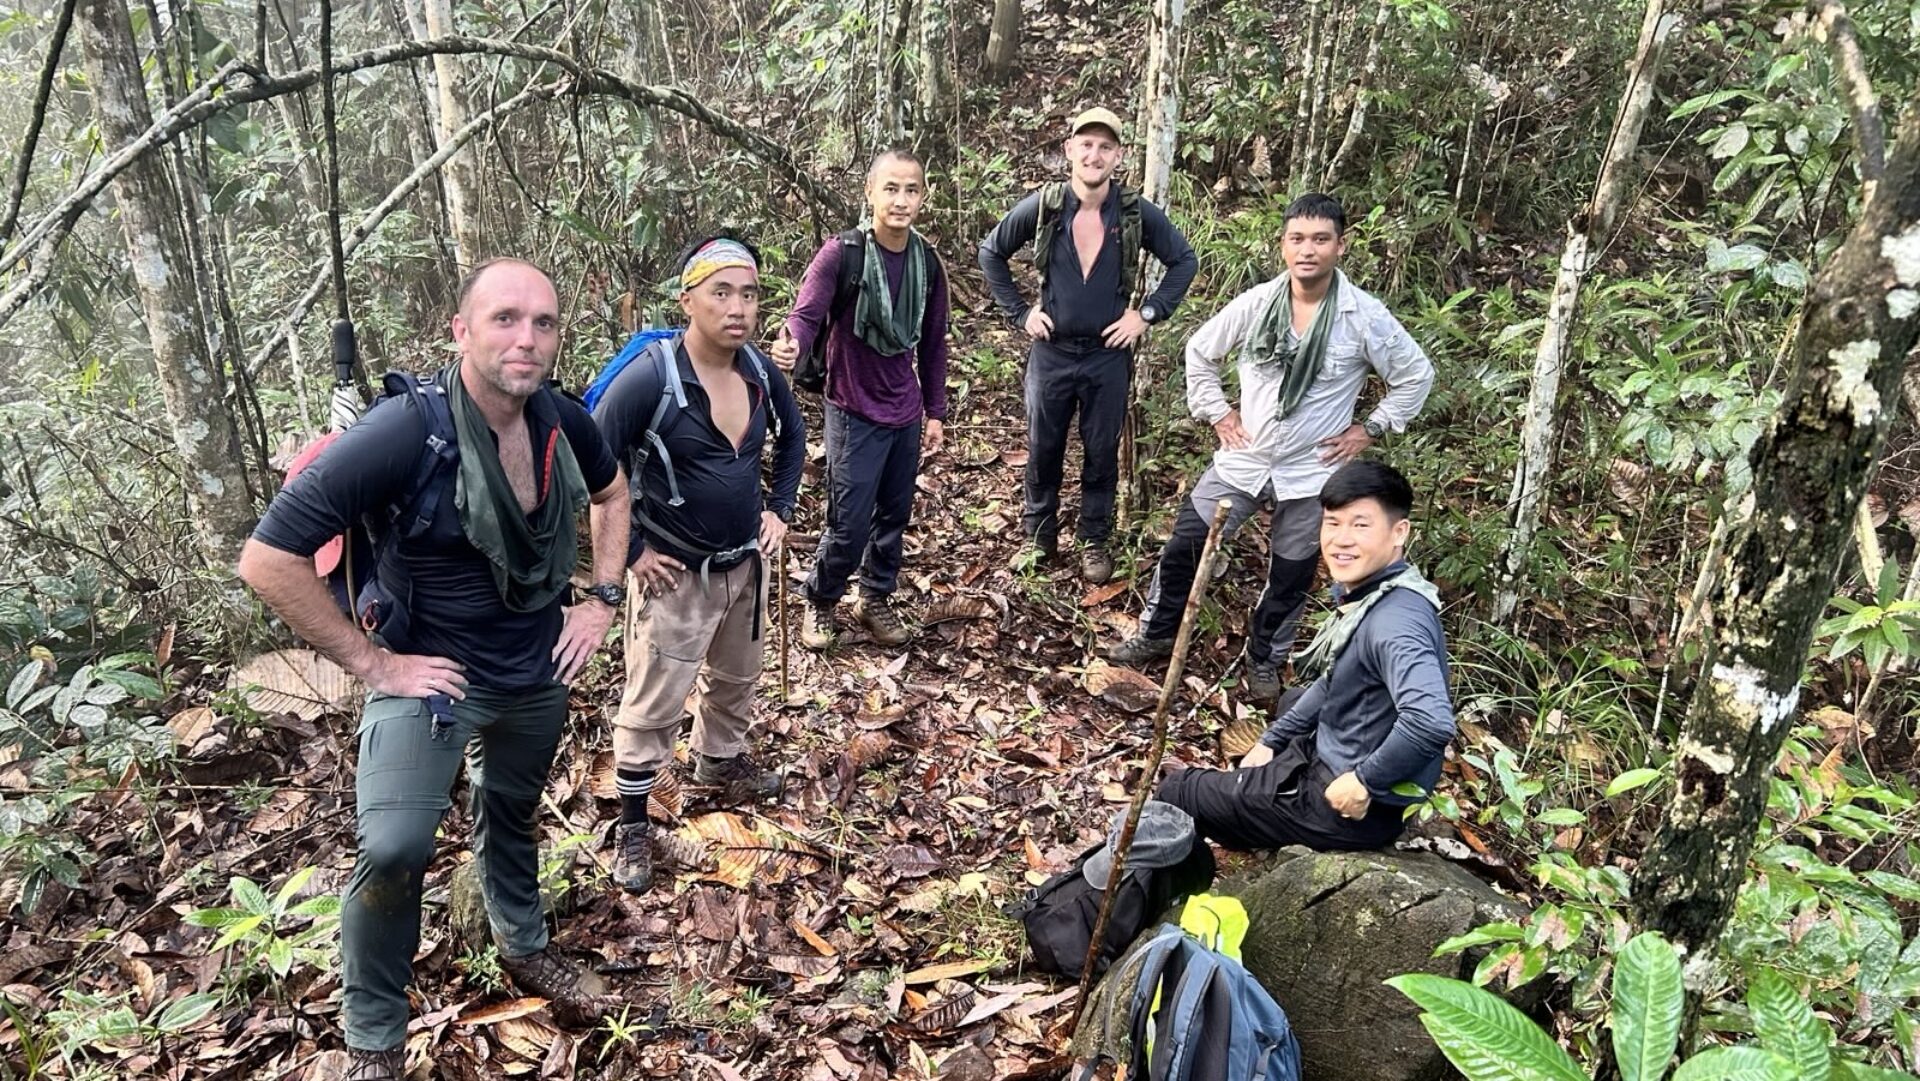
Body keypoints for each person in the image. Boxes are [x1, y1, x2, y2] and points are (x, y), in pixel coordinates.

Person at [237, 258, 631, 1080]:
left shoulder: (562, 418)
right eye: (504, 319)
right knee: (393, 844)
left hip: (535, 663)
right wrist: (371, 662)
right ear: (461, 331)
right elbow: (266, 557)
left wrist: (599, 599)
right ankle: (375, 1039)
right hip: (431, 673)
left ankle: (523, 945)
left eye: (544, 322)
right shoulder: (405, 431)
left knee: (512, 809)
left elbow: (613, 492)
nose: (526, 338)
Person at [1107, 193, 1434, 703]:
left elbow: (1415, 375)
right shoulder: (1258, 303)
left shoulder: (1363, 316)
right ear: (1283, 245)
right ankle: (1157, 633)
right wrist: (1218, 412)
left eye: (1321, 240)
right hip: (1245, 457)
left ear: (1340, 246)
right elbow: (1201, 349)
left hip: (1313, 468)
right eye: (1297, 239)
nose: (1308, 250)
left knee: (1291, 573)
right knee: (1186, 544)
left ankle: (1264, 661)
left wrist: (1369, 428)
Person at [592, 235, 805, 895]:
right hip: (674, 574)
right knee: (653, 701)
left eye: (748, 293)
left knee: (736, 678)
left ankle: (719, 763)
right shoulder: (652, 377)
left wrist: (781, 509)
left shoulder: (761, 372)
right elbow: (593, 462)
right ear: (688, 300)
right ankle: (633, 823)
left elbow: (794, 436)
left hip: (745, 562)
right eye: (721, 292)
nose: (737, 307)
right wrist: (630, 553)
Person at [1153, 460, 1454, 852]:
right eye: (1333, 522)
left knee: (1179, 791)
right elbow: (1334, 681)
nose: (1342, 539)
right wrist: (1272, 741)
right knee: (1293, 701)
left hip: (1344, 807)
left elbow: (1430, 722)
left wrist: (1364, 781)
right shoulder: (1379, 591)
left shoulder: (1395, 621)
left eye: (1360, 525)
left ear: (1399, 532)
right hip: (1334, 757)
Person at [977, 107, 1198, 583]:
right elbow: (991, 252)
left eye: (1104, 147)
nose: (1094, 155)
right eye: (1086, 144)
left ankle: (1094, 540)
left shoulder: (1135, 212)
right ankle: (1038, 538)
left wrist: (1146, 314)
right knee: (1043, 448)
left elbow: (1183, 260)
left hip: (1107, 356)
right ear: (1069, 150)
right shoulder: (1046, 205)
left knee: (1101, 451)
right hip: (1052, 353)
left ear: (1117, 156)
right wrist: (1020, 312)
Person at [770, 149, 951, 650]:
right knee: (848, 524)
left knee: (894, 515)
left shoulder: (927, 262)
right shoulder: (842, 254)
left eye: (911, 189)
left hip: (905, 411)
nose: (901, 200)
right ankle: (822, 599)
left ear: (923, 196)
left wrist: (935, 411)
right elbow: (806, 315)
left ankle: (874, 598)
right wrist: (791, 344)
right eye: (890, 188)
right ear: (870, 193)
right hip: (852, 407)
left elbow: (934, 341)